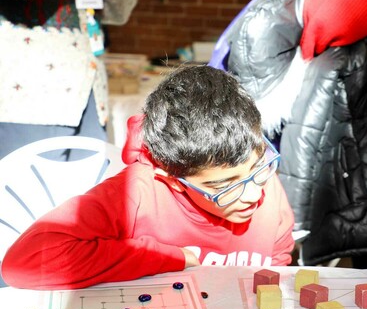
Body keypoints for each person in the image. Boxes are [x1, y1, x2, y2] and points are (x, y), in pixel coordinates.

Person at [1, 66, 296, 289]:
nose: (253, 195)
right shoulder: (137, 193)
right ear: (170, 179)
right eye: (222, 186)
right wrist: (168, 257)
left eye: (259, 167)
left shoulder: (262, 181)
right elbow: (23, 263)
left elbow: (278, 260)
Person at [0, 0, 142, 160]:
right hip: (30, 98)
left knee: (91, 187)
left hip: (90, 93)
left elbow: (120, 9)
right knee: (29, 187)